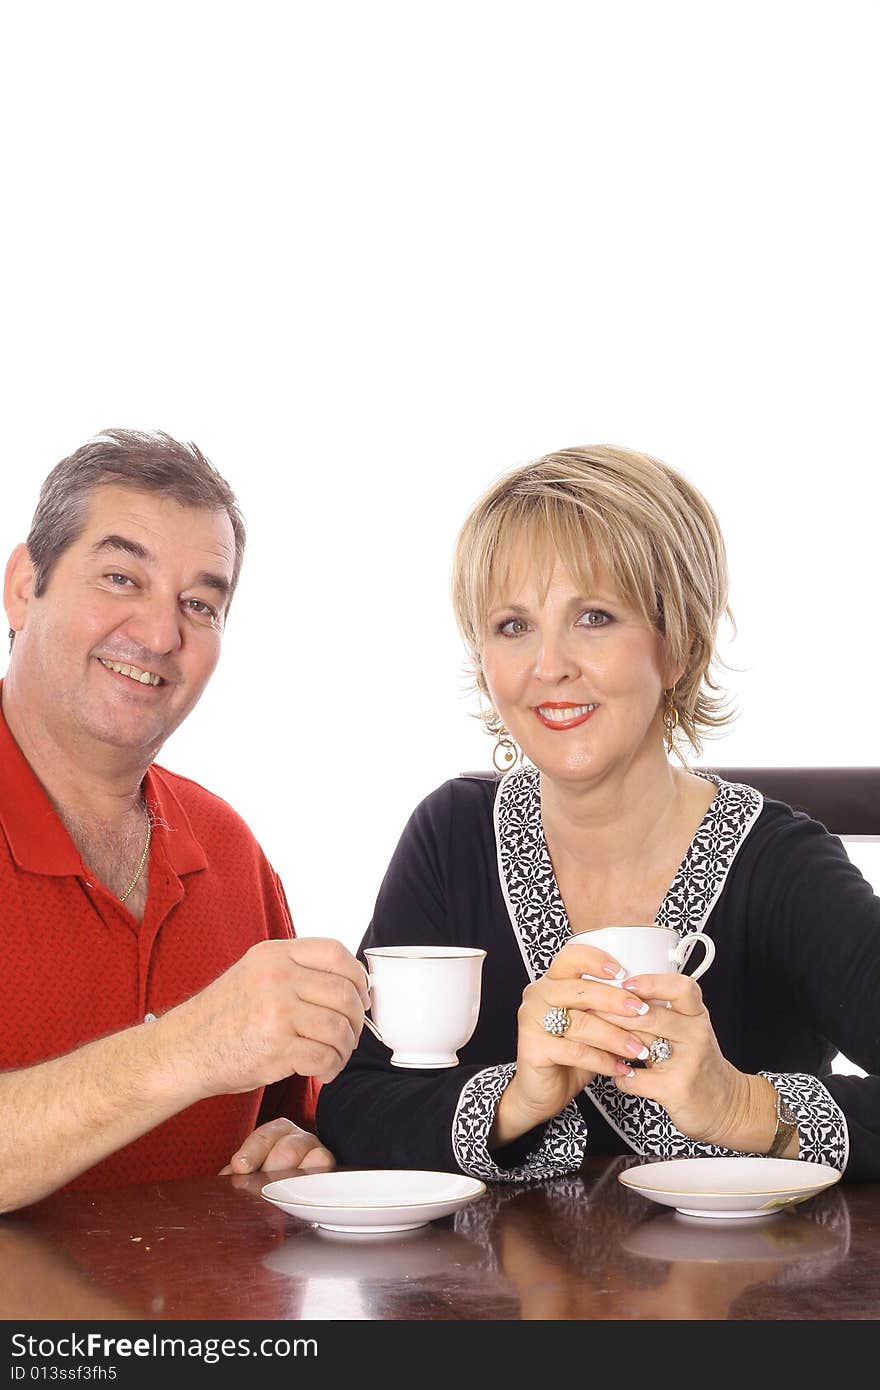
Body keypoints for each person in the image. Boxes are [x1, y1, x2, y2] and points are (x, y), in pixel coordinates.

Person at [317, 444, 880, 1182]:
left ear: (677, 644)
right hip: (502, 1296)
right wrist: (518, 1100)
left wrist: (742, 1105)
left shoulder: (780, 865)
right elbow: (353, 1100)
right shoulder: (452, 837)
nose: (549, 666)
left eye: (594, 616)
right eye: (513, 625)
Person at [0, 429, 369, 1213]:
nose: (161, 634)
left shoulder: (228, 848)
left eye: (199, 603)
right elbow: (211, 1045)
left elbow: (287, 1122)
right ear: (24, 586)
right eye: (121, 576)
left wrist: (303, 1148)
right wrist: (191, 1046)